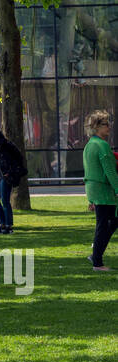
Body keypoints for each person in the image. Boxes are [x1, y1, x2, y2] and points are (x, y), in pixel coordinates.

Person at [83, 109, 118, 271]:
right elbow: (110, 171)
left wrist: (90, 198)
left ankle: (95, 255)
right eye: (105, 124)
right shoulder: (102, 145)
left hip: (94, 190)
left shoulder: (89, 145)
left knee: (110, 222)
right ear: (96, 127)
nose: (109, 126)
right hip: (103, 191)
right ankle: (97, 262)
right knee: (103, 225)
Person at [0, 127, 27, 235]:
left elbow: (18, 158)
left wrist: (10, 172)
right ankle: (2, 224)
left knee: (5, 200)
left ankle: (8, 225)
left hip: (5, 177)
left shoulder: (7, 145)